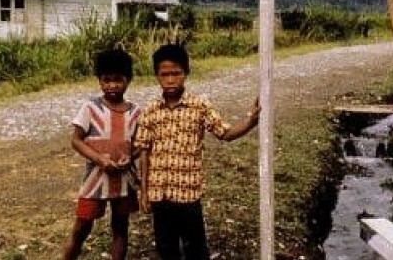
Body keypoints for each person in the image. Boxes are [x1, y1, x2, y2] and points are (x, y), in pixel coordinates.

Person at [135, 43, 260, 260]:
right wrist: (144, 191)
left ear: (186, 73)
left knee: (196, 249)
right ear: (156, 76)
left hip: (188, 194)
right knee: (166, 248)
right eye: (165, 74)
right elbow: (144, 151)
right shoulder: (150, 110)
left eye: (176, 73)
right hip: (160, 194)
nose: (171, 80)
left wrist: (251, 121)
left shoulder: (199, 106)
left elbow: (225, 133)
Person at [63, 48, 142, 260]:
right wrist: (99, 159)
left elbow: (140, 143)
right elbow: (75, 140)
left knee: (120, 227)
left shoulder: (135, 112)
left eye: (118, 80)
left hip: (124, 179)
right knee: (81, 227)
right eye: (106, 80)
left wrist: (131, 157)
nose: (112, 86)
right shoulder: (91, 108)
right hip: (95, 179)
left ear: (128, 80)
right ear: (99, 80)